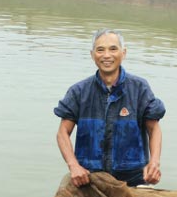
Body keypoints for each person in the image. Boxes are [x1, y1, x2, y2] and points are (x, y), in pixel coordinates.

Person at [55, 28, 165, 188]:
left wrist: (154, 162)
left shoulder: (139, 88)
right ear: (92, 55)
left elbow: (154, 129)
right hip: (89, 180)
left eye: (113, 49)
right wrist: (73, 166)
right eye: (100, 50)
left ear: (123, 53)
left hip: (133, 179)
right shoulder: (79, 91)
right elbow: (62, 132)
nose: (107, 55)